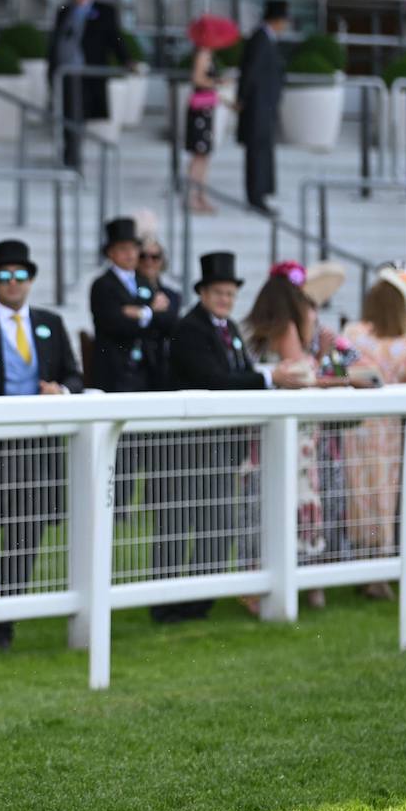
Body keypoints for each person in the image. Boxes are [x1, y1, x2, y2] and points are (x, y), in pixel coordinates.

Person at [157, 251, 307, 622]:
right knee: (178, 521)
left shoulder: (229, 330)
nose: (226, 299)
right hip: (188, 443)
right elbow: (214, 380)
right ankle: (166, 601)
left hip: (222, 443)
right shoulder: (190, 329)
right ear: (204, 293)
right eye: (219, 292)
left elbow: (238, 372)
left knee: (219, 518)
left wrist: (267, 377)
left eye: (230, 293)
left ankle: (201, 595)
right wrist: (271, 378)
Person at [0, 240, 82, 650]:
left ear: (31, 279)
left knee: (25, 536)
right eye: (4, 276)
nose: (13, 283)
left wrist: (61, 390)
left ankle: (2, 626)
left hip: (40, 443)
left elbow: (74, 375)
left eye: (20, 275)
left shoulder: (51, 321)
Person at [342, 264, 406, 599]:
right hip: (388, 428)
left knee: (356, 489)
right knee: (384, 493)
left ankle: (361, 561)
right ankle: (379, 565)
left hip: (355, 423)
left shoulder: (353, 332)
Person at [49, 0, 131, 169]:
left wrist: (126, 60)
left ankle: (74, 156)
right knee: (69, 113)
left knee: (80, 114)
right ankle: (70, 155)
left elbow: (115, 37)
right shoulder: (64, 11)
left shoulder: (104, 11)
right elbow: (55, 41)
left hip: (87, 73)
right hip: (66, 73)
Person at [90, 217, 174, 393]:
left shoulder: (143, 282)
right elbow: (115, 323)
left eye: (134, 248)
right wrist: (150, 311)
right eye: (123, 249)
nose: (130, 254)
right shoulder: (102, 284)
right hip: (115, 371)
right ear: (111, 253)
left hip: (146, 368)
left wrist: (140, 313)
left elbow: (167, 319)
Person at [238, 0, 288, 212]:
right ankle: (256, 197)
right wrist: (242, 98)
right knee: (257, 150)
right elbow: (250, 72)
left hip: (265, 105)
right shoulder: (260, 39)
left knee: (263, 149)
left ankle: (261, 193)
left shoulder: (267, 38)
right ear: (276, 20)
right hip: (257, 106)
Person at [134, 231, 183, 390]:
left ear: (162, 261)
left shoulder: (171, 295)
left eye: (155, 257)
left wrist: (148, 312)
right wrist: (153, 309)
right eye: (143, 256)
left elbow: (172, 324)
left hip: (162, 362)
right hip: (137, 365)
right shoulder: (128, 291)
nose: (149, 261)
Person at [185, 43, 224, 213]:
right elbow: (197, 79)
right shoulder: (203, 53)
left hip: (205, 111)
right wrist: (216, 81)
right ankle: (193, 197)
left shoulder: (207, 53)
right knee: (199, 155)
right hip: (200, 112)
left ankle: (200, 196)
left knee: (203, 156)